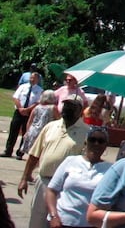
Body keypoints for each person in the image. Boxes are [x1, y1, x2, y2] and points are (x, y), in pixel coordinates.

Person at [18, 98, 89, 228]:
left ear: (80, 111)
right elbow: (34, 154)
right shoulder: (51, 126)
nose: (67, 110)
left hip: (66, 187)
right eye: (66, 106)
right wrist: (24, 178)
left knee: (58, 222)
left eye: (72, 108)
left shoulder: (86, 132)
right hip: (44, 181)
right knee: (36, 222)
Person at [45, 125, 113, 228]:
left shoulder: (110, 169)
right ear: (85, 143)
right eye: (92, 139)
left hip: (90, 224)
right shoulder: (71, 161)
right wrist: (54, 216)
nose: (96, 144)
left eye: (101, 141)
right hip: (61, 222)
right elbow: (51, 190)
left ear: (106, 145)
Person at [4, 71, 44, 158]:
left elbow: (38, 102)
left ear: (37, 79)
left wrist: (27, 110)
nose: (31, 79)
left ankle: (20, 153)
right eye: (31, 77)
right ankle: (8, 151)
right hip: (19, 111)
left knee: (25, 133)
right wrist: (20, 108)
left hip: (29, 113)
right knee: (13, 131)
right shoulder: (23, 86)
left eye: (33, 78)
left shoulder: (40, 90)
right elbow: (16, 97)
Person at [21, 89, 60, 159]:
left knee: (32, 154)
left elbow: (30, 121)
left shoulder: (37, 107)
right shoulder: (53, 108)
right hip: (46, 132)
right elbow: (59, 119)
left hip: (33, 131)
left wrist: (27, 132)